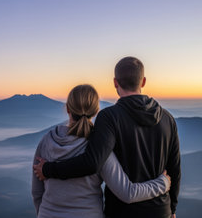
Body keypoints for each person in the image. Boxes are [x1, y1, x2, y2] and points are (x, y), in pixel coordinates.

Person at [34, 57, 181, 218]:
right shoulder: (168, 119)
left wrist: (48, 169)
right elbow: (174, 168)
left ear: (115, 82)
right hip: (161, 210)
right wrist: (172, 208)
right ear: (143, 81)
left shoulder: (110, 117)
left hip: (121, 212)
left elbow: (92, 162)